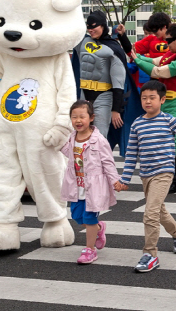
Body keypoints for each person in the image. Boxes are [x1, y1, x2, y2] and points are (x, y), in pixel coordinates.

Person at [115, 80, 176, 272]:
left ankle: (150, 255)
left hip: (164, 172)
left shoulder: (169, 120)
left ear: (162, 100)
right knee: (159, 211)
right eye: (144, 98)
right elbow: (132, 154)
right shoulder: (137, 125)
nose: (148, 102)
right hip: (146, 175)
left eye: (152, 98)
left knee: (150, 213)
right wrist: (124, 179)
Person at [133, 24, 176, 193]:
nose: (166, 44)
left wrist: (136, 60)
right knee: (166, 140)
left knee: (171, 138)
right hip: (164, 102)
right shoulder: (172, 55)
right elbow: (154, 61)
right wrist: (136, 55)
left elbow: (159, 71)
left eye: (169, 41)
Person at [61, 100, 120, 264]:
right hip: (76, 186)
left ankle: (90, 250)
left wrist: (115, 180)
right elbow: (67, 152)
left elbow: (108, 162)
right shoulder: (71, 138)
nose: (78, 121)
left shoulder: (99, 140)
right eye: (74, 117)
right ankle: (99, 228)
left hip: (93, 187)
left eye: (82, 117)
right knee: (77, 217)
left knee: (89, 218)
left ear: (91, 118)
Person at [73, 10, 127, 138]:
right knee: (81, 134)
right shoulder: (82, 42)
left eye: (94, 26)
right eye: (88, 27)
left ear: (103, 26)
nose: (91, 30)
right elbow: (68, 32)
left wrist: (115, 110)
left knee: (99, 136)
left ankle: (100, 159)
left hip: (104, 96)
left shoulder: (113, 48)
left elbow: (118, 82)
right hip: (83, 95)